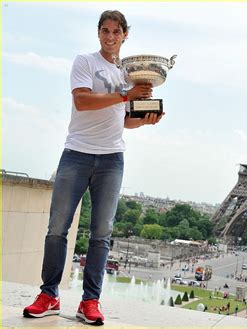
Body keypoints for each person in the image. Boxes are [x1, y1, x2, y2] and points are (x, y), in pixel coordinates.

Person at [22, 10, 162, 326]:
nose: (110, 36)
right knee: (57, 228)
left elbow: (123, 120)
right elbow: (83, 102)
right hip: (76, 153)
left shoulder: (131, 74)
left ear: (126, 35)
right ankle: (49, 295)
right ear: (98, 33)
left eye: (116, 31)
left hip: (112, 158)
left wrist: (145, 119)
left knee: (101, 234)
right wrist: (125, 94)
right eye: (105, 30)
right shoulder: (85, 62)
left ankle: (90, 302)